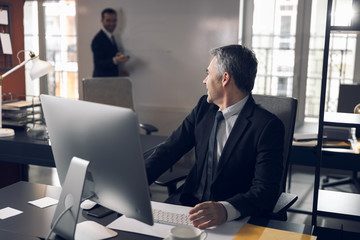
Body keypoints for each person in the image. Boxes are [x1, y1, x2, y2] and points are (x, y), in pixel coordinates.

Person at [145, 45, 285, 229]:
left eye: (208, 74)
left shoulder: (267, 126)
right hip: (188, 207)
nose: (204, 81)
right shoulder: (204, 108)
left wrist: (226, 210)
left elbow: (266, 190)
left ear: (225, 78)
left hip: (234, 217)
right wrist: (134, 184)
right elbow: (169, 150)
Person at [91, 8, 129, 77]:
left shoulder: (111, 36)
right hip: (101, 82)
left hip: (109, 80)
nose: (112, 23)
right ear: (102, 21)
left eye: (114, 20)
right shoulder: (98, 39)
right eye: (108, 20)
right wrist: (115, 59)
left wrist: (118, 71)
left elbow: (107, 57)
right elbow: (98, 63)